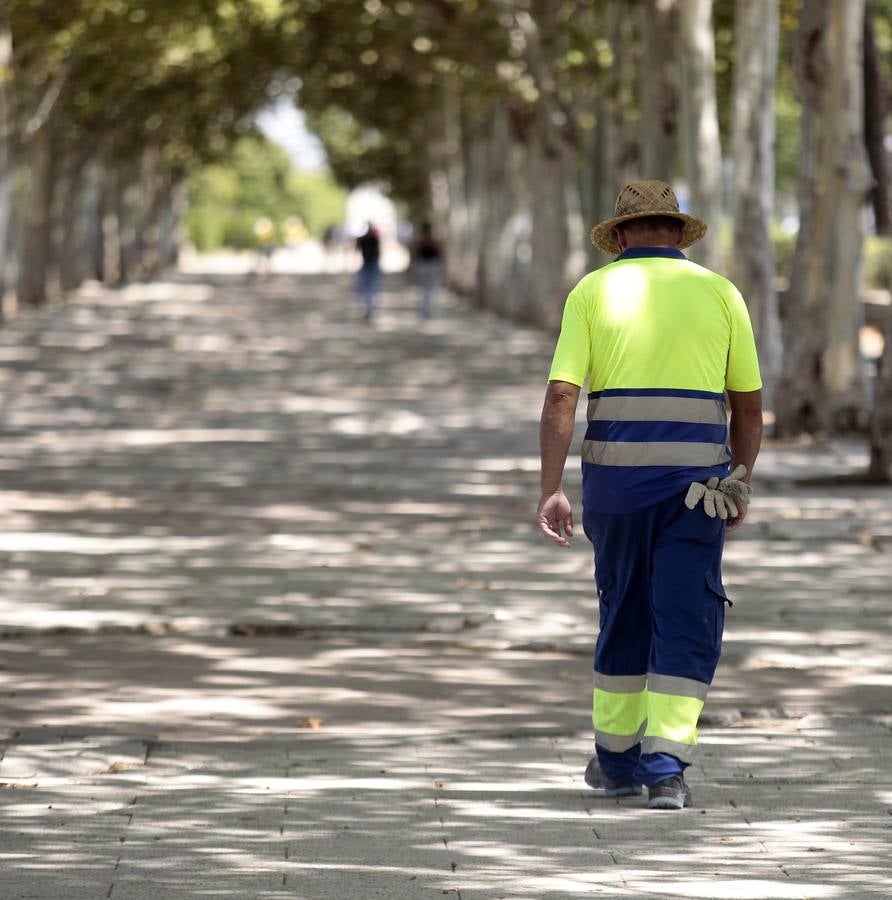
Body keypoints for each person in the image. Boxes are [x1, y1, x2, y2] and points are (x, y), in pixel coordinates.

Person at [536, 180, 763, 810]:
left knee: (624, 609)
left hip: (615, 490)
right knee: (687, 616)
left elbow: (562, 396)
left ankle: (615, 762)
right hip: (699, 490)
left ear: (622, 235)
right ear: (676, 231)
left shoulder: (592, 291)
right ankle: (665, 766)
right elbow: (747, 407)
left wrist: (551, 488)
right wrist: (739, 480)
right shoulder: (720, 293)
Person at [411, 222, 443, 319]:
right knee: (428, 289)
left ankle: (425, 310)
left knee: (425, 290)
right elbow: (439, 253)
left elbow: (415, 253)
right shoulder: (433, 240)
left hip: (424, 266)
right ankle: (426, 310)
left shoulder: (421, 240)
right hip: (430, 266)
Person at [355, 222, 381, 321]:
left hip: (369, 264)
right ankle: (369, 308)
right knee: (370, 288)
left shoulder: (367, 239)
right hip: (369, 264)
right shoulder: (372, 239)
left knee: (367, 288)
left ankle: (368, 308)